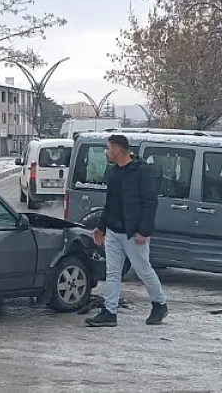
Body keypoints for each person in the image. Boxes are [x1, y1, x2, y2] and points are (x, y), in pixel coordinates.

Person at [86, 134, 168, 328]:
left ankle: (160, 304)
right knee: (112, 272)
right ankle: (109, 312)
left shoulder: (142, 171)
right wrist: (101, 227)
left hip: (133, 233)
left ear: (116, 149)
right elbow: (110, 203)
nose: (106, 152)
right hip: (114, 231)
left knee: (143, 270)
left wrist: (144, 231)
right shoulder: (114, 172)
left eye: (108, 148)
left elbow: (150, 202)